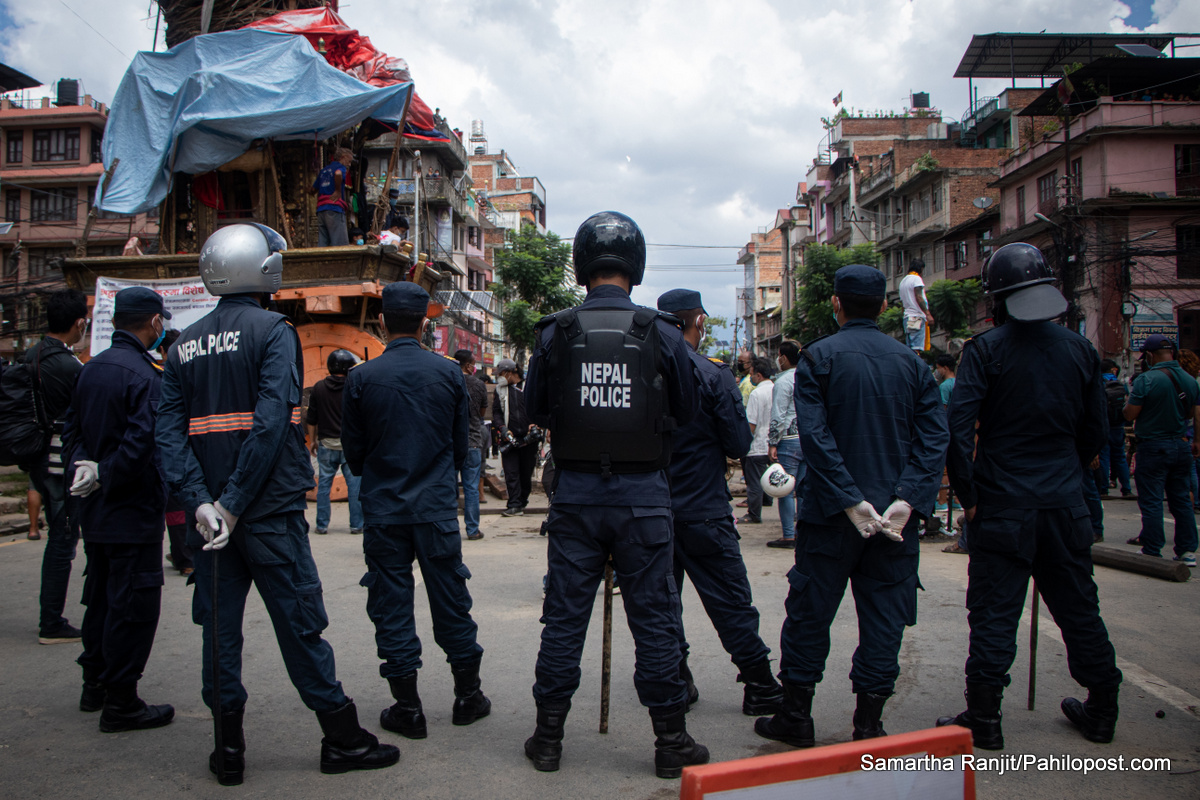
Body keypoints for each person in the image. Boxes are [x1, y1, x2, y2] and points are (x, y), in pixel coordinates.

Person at [156, 223, 398, 785]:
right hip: (264, 514)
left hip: (211, 523)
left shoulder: (181, 344)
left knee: (217, 632)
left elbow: (167, 437)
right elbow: (270, 425)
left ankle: (228, 751)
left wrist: (202, 504)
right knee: (299, 622)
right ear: (259, 268)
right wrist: (236, 503)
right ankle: (340, 739)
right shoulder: (273, 331)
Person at [522, 211, 703, 778]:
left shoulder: (554, 332)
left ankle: (548, 739)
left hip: (575, 494)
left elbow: (531, 410)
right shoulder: (662, 332)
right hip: (645, 497)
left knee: (564, 619)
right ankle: (670, 742)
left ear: (581, 264)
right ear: (636, 265)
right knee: (655, 619)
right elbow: (690, 411)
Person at [937, 242, 1122, 750]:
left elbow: (956, 430)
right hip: (1065, 506)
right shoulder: (1081, 350)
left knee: (995, 613)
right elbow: (1095, 432)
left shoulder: (985, 350)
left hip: (1001, 506)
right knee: (1080, 608)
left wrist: (968, 494)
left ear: (994, 300)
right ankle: (1103, 707)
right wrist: (1067, 473)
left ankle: (985, 719)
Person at [755, 264, 947, 748]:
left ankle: (797, 717)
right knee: (885, 619)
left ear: (836, 304)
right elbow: (933, 440)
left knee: (810, 614)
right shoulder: (912, 363)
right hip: (893, 522)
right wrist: (907, 500)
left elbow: (814, 439)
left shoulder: (818, 358)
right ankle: (869, 724)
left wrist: (848, 499)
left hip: (829, 517)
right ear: (884, 307)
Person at [341, 282, 490, 743]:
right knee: (451, 601)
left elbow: (355, 454)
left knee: (391, 606)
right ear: (425, 323)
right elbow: (460, 445)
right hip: (436, 510)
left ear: (383, 322)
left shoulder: (361, 378)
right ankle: (468, 697)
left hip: (385, 511)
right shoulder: (449, 375)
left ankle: (409, 708)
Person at [655, 288, 783, 717]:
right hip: (703, 509)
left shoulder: (642, 370)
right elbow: (737, 441)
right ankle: (760, 685)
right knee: (729, 600)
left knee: (661, 602)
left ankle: (677, 679)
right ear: (699, 322)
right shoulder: (713, 374)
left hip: (651, 510)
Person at [64, 287, 175, 733]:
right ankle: (122, 701)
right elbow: (141, 445)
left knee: (102, 598)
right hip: (132, 510)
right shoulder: (145, 375)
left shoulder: (92, 370)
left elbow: (71, 430)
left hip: (96, 511)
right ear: (153, 322)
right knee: (133, 605)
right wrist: (107, 473)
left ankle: (94, 685)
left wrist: (84, 469)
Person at [24, 288, 87, 644]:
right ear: (79, 323)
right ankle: (51, 622)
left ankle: (52, 616)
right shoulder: (67, 365)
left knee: (58, 539)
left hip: (36, 462)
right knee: (63, 542)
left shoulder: (30, 356)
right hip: (62, 462)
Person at [1124, 334, 1199, 567]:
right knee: (1181, 500)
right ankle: (1187, 552)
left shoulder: (1146, 379)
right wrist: (1196, 440)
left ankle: (1152, 549)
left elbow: (1130, 414)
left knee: (1152, 499)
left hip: (1153, 446)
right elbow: (1194, 414)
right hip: (1181, 444)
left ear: (1149, 355)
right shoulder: (1190, 380)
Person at [307, 349, 364, 536]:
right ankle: (356, 525)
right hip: (349, 444)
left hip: (326, 443)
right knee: (355, 486)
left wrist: (313, 441)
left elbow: (312, 418)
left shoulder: (318, 388)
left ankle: (322, 525)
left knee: (324, 485)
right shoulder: (353, 386)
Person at [767, 341, 804, 549]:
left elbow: (778, 415)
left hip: (788, 442)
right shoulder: (806, 377)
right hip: (807, 439)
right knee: (804, 490)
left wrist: (772, 442)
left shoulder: (783, 382)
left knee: (785, 490)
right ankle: (803, 533)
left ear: (783, 358)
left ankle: (789, 535)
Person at [493, 358, 536, 517]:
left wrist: (535, 424)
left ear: (512, 373)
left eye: (503, 373)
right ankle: (514, 504)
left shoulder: (529, 388)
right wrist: (503, 428)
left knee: (526, 473)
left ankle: (522, 501)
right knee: (511, 473)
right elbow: (497, 412)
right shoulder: (500, 390)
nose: (501, 377)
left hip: (528, 439)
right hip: (509, 439)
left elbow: (538, 408)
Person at [454, 349, 488, 541]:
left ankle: (449, 527)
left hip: (451, 444)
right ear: (468, 365)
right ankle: (473, 529)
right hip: (473, 442)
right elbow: (483, 412)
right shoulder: (479, 384)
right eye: (473, 363)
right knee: (471, 489)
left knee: (450, 489)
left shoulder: (449, 381)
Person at [738, 358, 775, 525]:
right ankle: (767, 500)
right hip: (773, 443)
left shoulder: (756, 393)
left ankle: (754, 513)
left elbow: (751, 423)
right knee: (767, 475)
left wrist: (744, 442)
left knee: (754, 481)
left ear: (758, 375)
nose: (750, 377)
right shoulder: (776, 389)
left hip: (758, 444)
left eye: (752, 374)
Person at [1095, 359, 1133, 498]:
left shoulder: (1098, 382)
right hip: (1119, 426)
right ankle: (1127, 489)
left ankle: (1104, 489)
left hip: (1104, 425)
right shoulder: (1121, 385)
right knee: (1120, 457)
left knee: (1104, 457)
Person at [311, 147, 353, 247]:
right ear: (342, 158)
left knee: (323, 243)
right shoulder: (340, 168)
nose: (349, 164)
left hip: (321, 210)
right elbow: (338, 173)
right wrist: (338, 190)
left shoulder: (324, 170)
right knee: (339, 244)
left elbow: (313, 189)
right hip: (334, 208)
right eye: (349, 161)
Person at [898, 257, 934, 352]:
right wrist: (928, 314)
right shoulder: (916, 279)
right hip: (916, 317)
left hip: (907, 318)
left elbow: (902, 304)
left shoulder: (903, 282)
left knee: (910, 348)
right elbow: (919, 297)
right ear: (921, 269)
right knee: (916, 349)